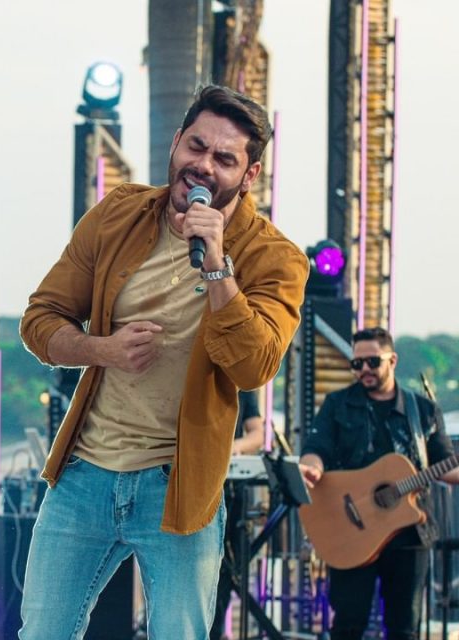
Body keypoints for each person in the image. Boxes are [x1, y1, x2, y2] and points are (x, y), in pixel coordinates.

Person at [17, 84, 309, 639]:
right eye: (195, 146)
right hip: (84, 475)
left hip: (180, 485)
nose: (203, 166)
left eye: (224, 159)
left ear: (249, 176)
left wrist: (219, 267)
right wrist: (100, 349)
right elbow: (40, 321)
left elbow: (254, 367)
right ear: (176, 143)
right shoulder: (118, 214)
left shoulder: (276, 259)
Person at [299, 327, 458, 640]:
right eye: (357, 364)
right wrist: (312, 468)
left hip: (410, 532)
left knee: (404, 629)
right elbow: (316, 449)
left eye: (372, 362)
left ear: (392, 360)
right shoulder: (337, 404)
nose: (364, 370)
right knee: (347, 625)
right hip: (351, 528)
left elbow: (444, 465)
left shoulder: (423, 411)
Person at [210, 389, 264, 640]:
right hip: (196, 487)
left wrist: (232, 447)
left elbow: (257, 434)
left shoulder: (243, 382)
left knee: (229, 571)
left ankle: (217, 631)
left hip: (231, 491)